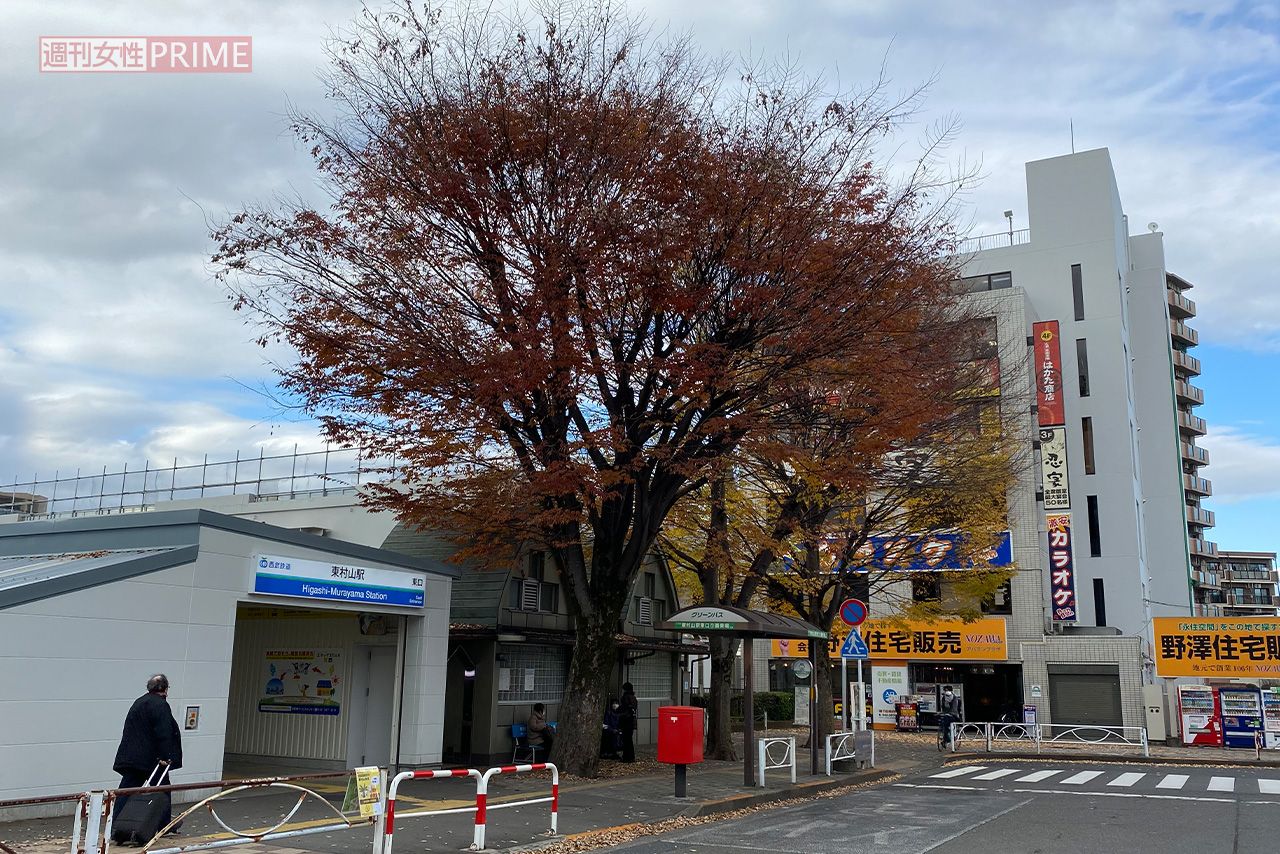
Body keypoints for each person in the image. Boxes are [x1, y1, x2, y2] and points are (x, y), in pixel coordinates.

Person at [113, 674, 183, 829]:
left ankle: (116, 825)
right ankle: (163, 824)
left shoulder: (139, 702)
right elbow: (163, 732)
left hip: (132, 757)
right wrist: (165, 756)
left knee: (126, 790)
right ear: (165, 689)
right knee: (163, 790)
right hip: (151, 760)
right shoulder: (160, 705)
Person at [619, 682, 638, 763]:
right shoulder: (633, 698)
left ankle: (626, 757)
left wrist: (619, 713)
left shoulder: (625, 697)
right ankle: (630, 757)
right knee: (629, 740)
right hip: (632, 721)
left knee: (626, 740)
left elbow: (624, 709)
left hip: (626, 721)